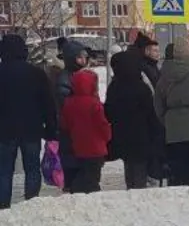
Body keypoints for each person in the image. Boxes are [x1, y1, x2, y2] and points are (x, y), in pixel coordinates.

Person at [0, 34, 58, 208]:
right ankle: (31, 204)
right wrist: (51, 128)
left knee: (4, 171)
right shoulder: (36, 74)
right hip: (32, 130)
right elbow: (48, 103)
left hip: (3, 131)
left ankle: (3, 206)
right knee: (32, 169)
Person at [105, 50, 165, 190]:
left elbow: (109, 111)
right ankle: (138, 194)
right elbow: (151, 113)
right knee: (139, 170)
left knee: (129, 166)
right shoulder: (141, 88)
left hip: (122, 136)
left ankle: (130, 190)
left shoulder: (114, 87)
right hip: (141, 137)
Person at [154, 37, 189, 186]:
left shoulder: (163, 79)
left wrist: (169, 123)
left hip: (173, 134)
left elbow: (158, 107)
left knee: (177, 177)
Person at [60, 71, 111, 194]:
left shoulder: (69, 103)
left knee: (82, 176)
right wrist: (107, 136)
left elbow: (65, 124)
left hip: (78, 146)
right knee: (93, 179)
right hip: (95, 148)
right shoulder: (94, 103)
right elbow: (102, 124)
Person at [53, 40, 90, 191]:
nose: (84, 61)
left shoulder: (79, 75)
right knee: (72, 166)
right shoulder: (65, 79)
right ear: (71, 58)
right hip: (70, 131)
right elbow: (68, 107)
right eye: (80, 57)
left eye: (85, 57)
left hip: (80, 131)